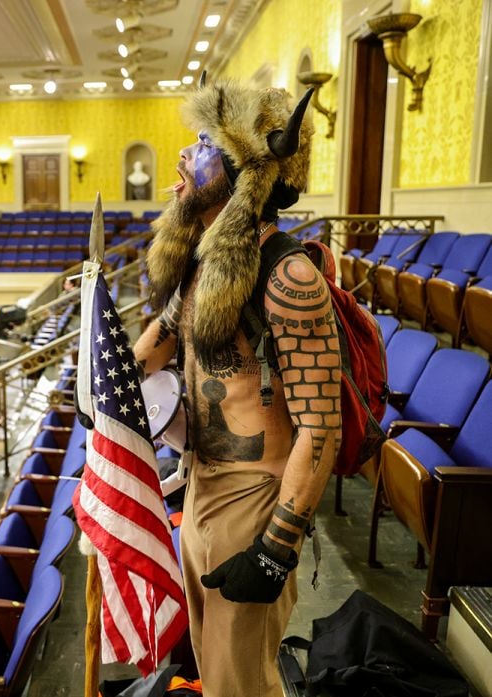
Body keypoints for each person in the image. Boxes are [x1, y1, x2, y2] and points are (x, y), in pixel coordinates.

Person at [133, 78, 336, 697]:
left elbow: (321, 427)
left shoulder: (290, 276)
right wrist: (107, 384)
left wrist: (278, 546)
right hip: (200, 482)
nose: (183, 157)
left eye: (202, 143)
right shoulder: (208, 263)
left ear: (247, 165)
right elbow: (163, 336)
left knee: (240, 680)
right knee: (209, 661)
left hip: (255, 498)